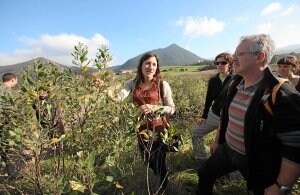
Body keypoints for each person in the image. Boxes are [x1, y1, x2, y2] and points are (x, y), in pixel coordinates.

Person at [197, 34, 300, 195]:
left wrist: (281, 187)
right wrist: (218, 140)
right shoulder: (235, 83)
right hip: (227, 150)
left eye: (239, 54)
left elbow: (294, 146)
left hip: (256, 160)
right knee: (204, 173)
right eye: (234, 55)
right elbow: (226, 115)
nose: (233, 59)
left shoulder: (281, 93)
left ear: (260, 57)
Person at [108, 52, 175, 193]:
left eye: (154, 64)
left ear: (157, 68)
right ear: (141, 65)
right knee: (147, 160)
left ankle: (163, 187)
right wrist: (107, 91)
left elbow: (172, 109)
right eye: (147, 63)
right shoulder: (132, 83)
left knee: (159, 163)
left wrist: (155, 107)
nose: (150, 67)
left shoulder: (162, 85)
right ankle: (160, 177)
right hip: (141, 130)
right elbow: (120, 97)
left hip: (158, 130)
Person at [191, 52, 233, 161]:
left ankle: (230, 169)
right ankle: (202, 158)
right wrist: (204, 116)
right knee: (195, 132)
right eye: (217, 63)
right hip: (214, 114)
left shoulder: (236, 80)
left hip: (230, 118)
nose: (219, 65)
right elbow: (209, 99)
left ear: (230, 64)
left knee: (227, 142)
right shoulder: (213, 80)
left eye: (223, 62)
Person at [0, 73, 18, 176]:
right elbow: (8, 107)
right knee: (6, 147)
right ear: (12, 80)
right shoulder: (6, 90)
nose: (17, 82)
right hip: (4, 122)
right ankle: (11, 173)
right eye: (16, 80)